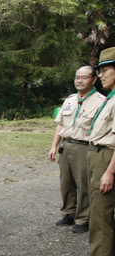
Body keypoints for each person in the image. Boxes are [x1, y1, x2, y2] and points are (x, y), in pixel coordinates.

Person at [69, 48, 115, 256]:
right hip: (98, 155)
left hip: (107, 158)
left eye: (106, 70)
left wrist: (109, 171)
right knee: (105, 213)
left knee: (100, 216)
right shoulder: (112, 97)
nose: (102, 75)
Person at [49, 66, 105, 233]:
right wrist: (54, 145)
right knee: (66, 183)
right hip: (66, 145)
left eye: (84, 77)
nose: (79, 80)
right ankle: (69, 213)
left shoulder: (101, 101)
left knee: (84, 184)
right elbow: (60, 124)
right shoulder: (70, 100)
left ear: (94, 80)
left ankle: (83, 218)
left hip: (84, 147)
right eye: (77, 77)